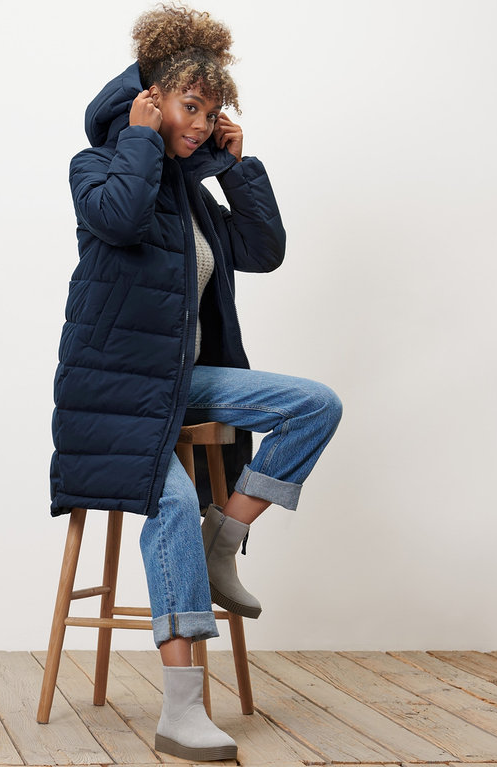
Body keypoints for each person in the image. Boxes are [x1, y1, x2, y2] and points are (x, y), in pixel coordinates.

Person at [49, 3, 341, 760]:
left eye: (214, 113)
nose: (205, 124)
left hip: (184, 381)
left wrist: (237, 170)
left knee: (315, 405)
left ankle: (226, 535)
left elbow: (263, 250)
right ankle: (182, 709)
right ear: (150, 100)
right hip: (115, 391)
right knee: (170, 506)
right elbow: (119, 221)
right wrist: (142, 138)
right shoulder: (98, 169)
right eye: (191, 107)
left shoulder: (195, 197)